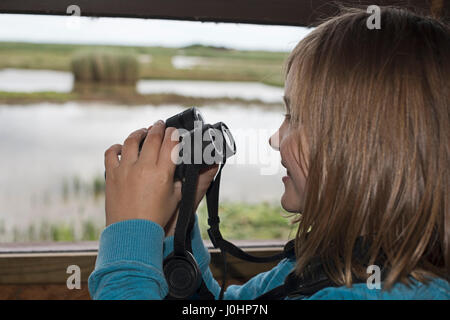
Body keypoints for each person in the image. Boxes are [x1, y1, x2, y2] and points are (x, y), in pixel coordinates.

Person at [88, 7, 450, 299]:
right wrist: (174, 223)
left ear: (366, 148)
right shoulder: (324, 265)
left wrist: (129, 242)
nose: (275, 139)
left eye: (295, 117)